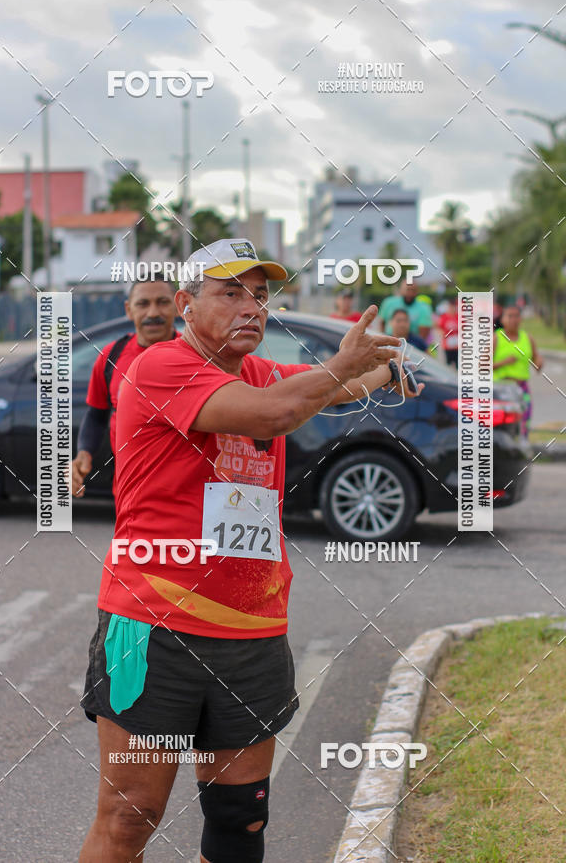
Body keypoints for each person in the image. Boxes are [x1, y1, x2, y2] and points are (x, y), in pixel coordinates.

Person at [78, 237, 423, 863]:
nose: (251, 308)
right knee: (130, 820)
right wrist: (343, 370)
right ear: (186, 303)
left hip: (253, 631)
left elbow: (322, 390)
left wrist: (384, 370)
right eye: (230, 292)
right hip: (153, 628)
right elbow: (276, 413)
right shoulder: (159, 366)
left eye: (261, 297)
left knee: (240, 824)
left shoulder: (262, 372)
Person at [71, 279, 178, 497]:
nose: (153, 312)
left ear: (177, 306)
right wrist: (84, 452)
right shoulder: (111, 357)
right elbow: (97, 415)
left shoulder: (196, 357)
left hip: (183, 491)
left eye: (163, 302)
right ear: (129, 310)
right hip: (129, 491)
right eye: (143, 304)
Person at [493, 305, 543, 436]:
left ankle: (522, 445)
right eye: (509, 316)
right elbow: (481, 366)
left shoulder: (528, 338)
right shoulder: (496, 338)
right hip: (502, 387)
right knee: (504, 423)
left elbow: (536, 362)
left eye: (517, 316)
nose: (513, 319)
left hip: (522, 387)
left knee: (524, 418)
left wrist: (539, 362)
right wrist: (504, 362)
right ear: (502, 319)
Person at [437, 296, 459, 366]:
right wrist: (443, 334)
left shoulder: (459, 317)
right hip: (447, 345)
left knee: (458, 363)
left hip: (457, 346)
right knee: (448, 364)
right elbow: (439, 328)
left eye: (454, 307)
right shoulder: (444, 317)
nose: (452, 309)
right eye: (451, 307)